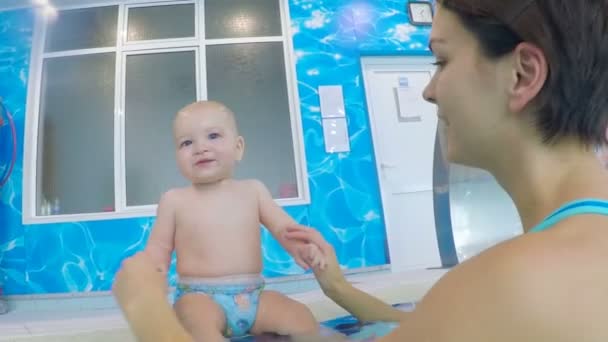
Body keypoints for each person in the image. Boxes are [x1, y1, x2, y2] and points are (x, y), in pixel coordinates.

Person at [113, 0, 608, 340]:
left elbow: (470, 309)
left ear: (522, 75)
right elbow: (427, 324)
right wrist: (341, 290)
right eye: (186, 142)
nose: (428, 90)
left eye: (440, 60)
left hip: (250, 297)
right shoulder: (571, 251)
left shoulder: (511, 281)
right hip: (204, 296)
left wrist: (144, 308)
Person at [139, 100, 326, 341]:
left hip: (254, 297)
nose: (200, 148)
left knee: (302, 318)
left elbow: (284, 228)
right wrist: (153, 269)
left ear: (238, 148)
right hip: (199, 297)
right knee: (194, 324)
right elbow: (159, 246)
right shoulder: (174, 200)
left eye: (213, 136)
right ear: (177, 156)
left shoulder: (254, 191)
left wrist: (303, 247)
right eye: (187, 142)